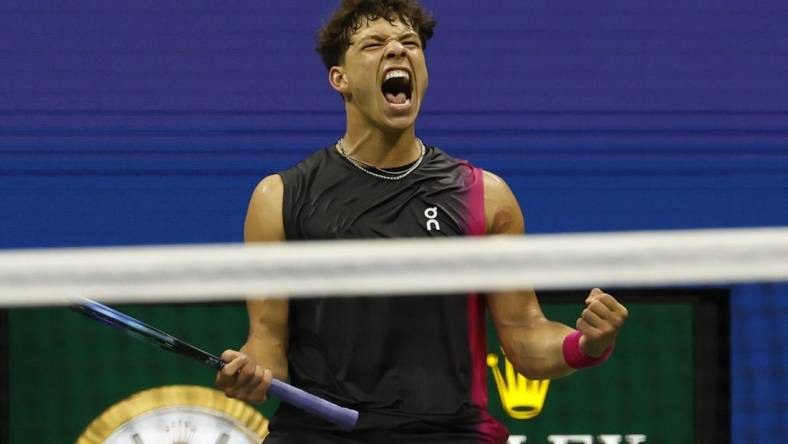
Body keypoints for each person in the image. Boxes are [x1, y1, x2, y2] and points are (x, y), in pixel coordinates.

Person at [215, 1, 628, 442]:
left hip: (447, 433)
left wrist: (585, 347)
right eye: (374, 44)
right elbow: (267, 342)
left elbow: (525, 336)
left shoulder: (482, 196)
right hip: (321, 434)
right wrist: (250, 371)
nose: (397, 51)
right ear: (341, 78)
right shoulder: (280, 197)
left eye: (409, 43)